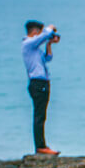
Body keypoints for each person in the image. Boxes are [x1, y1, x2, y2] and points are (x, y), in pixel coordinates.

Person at [22, 20, 61, 155]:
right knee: (39, 116)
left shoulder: (35, 50)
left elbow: (48, 58)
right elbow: (44, 35)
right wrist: (50, 28)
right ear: (34, 32)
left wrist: (49, 43)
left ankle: (42, 146)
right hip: (37, 83)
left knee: (42, 115)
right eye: (39, 32)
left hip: (42, 83)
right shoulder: (28, 44)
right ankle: (40, 146)